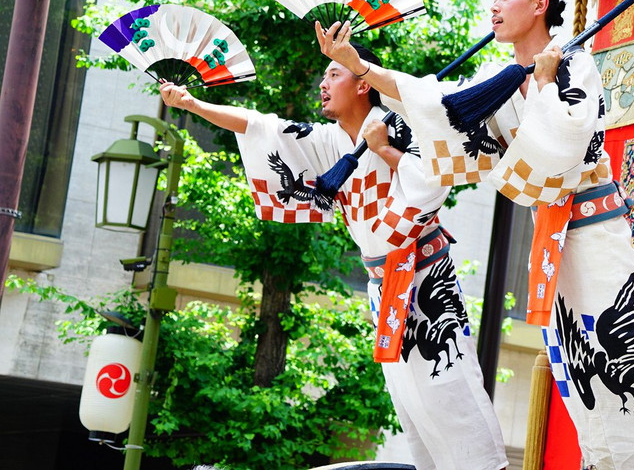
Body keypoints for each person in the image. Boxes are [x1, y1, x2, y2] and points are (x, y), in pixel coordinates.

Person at [316, 0, 634, 470]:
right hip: (550, 235)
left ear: (539, 5)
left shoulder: (572, 64)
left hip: (593, 228)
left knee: (623, 358)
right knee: (581, 370)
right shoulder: (499, 83)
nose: (493, 6)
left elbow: (564, 138)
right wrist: (358, 65)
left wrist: (541, 85)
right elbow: (435, 103)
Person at [158, 42, 507, 470]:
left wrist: (382, 149)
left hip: (422, 271)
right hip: (383, 284)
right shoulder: (327, 141)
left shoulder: (399, 122)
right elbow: (258, 126)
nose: (323, 84)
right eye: (324, 76)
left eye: (334, 75)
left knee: (447, 388)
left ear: (363, 84)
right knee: (413, 406)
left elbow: (435, 173)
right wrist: (192, 103)